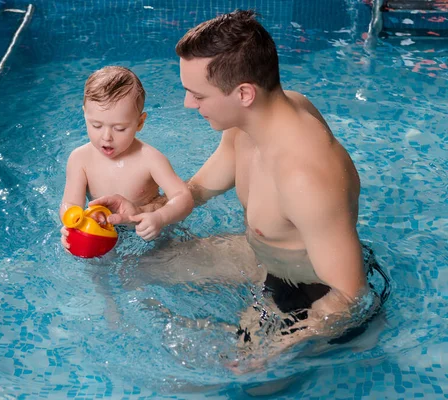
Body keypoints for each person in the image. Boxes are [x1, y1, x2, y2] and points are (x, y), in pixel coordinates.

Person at [90, 10, 378, 365]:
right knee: (136, 269)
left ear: (243, 93)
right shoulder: (249, 123)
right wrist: (145, 211)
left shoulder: (306, 177)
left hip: (311, 292)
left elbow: (350, 295)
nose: (188, 104)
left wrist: (268, 355)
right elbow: (197, 189)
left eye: (198, 95)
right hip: (265, 256)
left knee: (231, 382)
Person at [60, 66, 193, 248]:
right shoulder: (80, 159)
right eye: (96, 125)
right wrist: (72, 226)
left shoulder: (150, 159)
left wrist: (160, 218)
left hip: (146, 229)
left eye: (120, 128)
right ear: (85, 114)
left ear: (139, 123)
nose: (106, 136)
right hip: (102, 229)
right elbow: (70, 202)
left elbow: (183, 197)